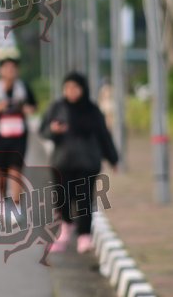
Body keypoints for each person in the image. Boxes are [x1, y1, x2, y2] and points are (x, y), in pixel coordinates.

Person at [40, 72, 119, 254]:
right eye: (67, 87)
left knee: (84, 200)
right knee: (63, 197)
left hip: (87, 162)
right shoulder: (57, 108)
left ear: (83, 89)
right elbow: (43, 130)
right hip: (62, 162)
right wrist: (53, 130)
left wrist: (113, 158)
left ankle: (84, 235)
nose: (71, 91)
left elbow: (103, 136)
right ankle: (65, 229)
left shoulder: (92, 110)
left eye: (75, 87)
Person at [0, 57, 37, 207]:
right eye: (6, 68)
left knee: (16, 168)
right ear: (1, 71)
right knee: (1, 171)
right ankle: (3, 201)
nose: (10, 71)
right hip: (1, 136)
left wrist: (25, 109)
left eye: (13, 68)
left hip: (19, 136)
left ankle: (16, 204)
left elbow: (33, 107)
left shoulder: (23, 87)